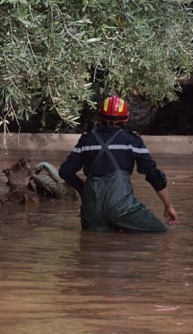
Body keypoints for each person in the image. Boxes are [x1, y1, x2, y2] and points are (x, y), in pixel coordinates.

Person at [59, 95, 178, 233]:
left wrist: (84, 190)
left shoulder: (87, 140)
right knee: (162, 235)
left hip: (92, 211)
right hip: (122, 208)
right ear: (126, 118)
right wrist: (168, 206)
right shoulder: (132, 141)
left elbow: (65, 171)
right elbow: (153, 175)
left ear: (100, 117)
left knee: (91, 249)